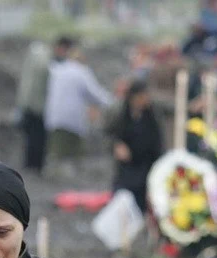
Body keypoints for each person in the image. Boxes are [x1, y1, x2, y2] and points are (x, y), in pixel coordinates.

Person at [43, 37, 113, 164]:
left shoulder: (57, 70)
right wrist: (113, 103)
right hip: (71, 121)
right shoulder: (81, 72)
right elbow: (95, 94)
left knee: (56, 153)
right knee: (70, 156)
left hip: (54, 119)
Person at [110, 80, 162, 213]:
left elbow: (155, 146)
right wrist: (117, 146)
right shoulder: (122, 115)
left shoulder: (151, 118)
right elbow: (111, 135)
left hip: (144, 170)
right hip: (125, 171)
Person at [17, 41, 53, 173]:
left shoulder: (32, 62)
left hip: (29, 105)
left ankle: (30, 164)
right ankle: (35, 165)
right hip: (38, 108)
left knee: (31, 138)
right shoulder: (43, 63)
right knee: (37, 138)